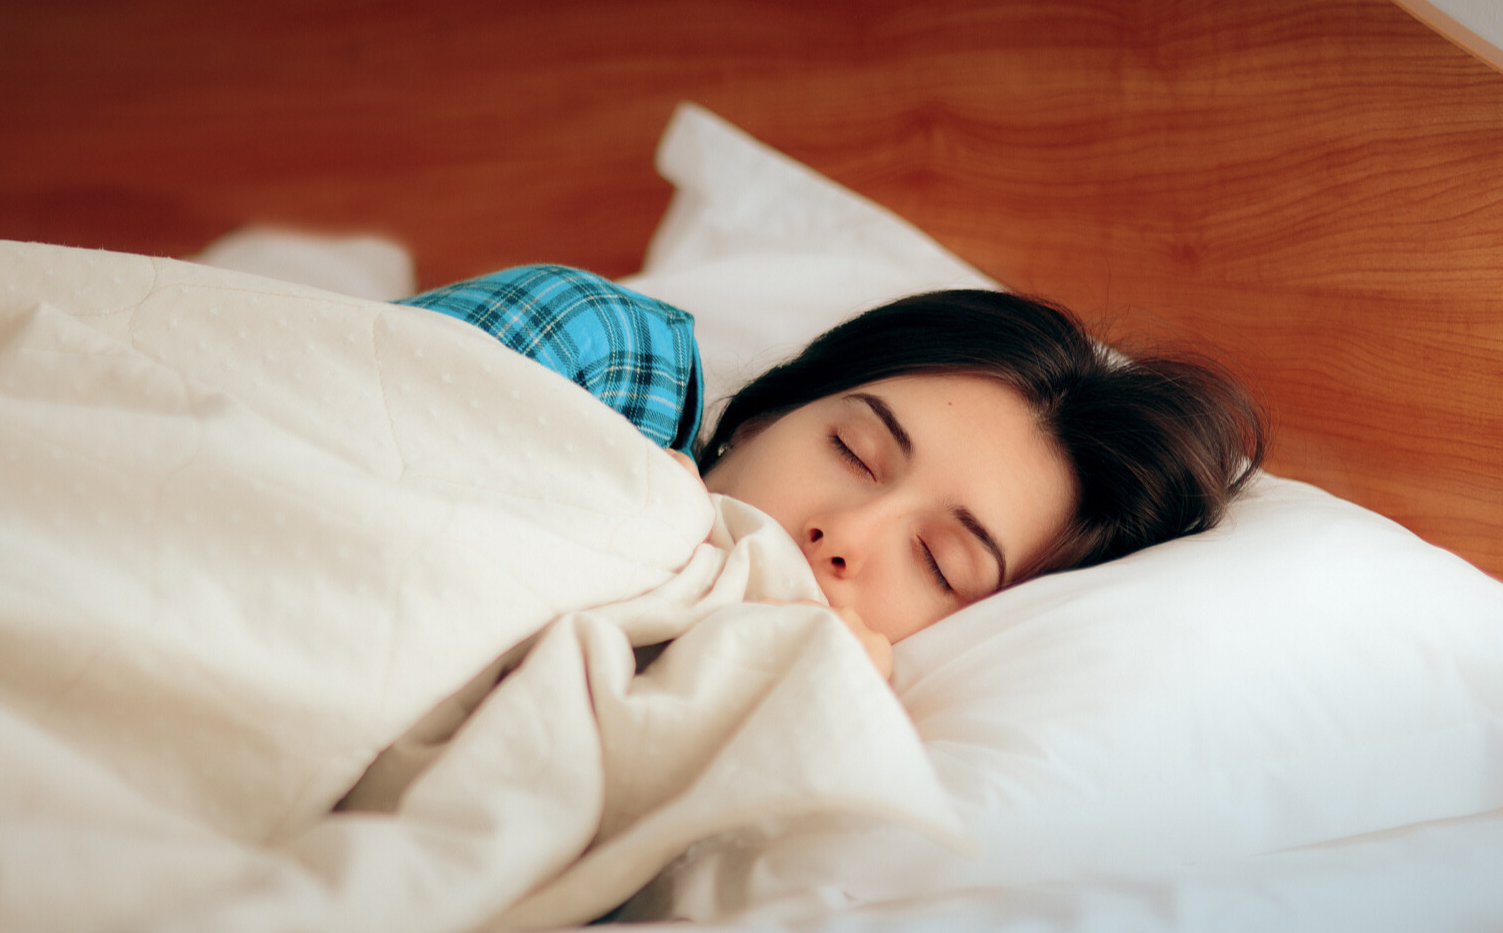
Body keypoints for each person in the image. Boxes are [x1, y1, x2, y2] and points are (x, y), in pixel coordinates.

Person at [403, 266, 1266, 675]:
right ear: (766, 413)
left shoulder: (799, 705)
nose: (842, 535)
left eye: (939, 563)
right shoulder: (604, 355)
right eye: (853, 452)